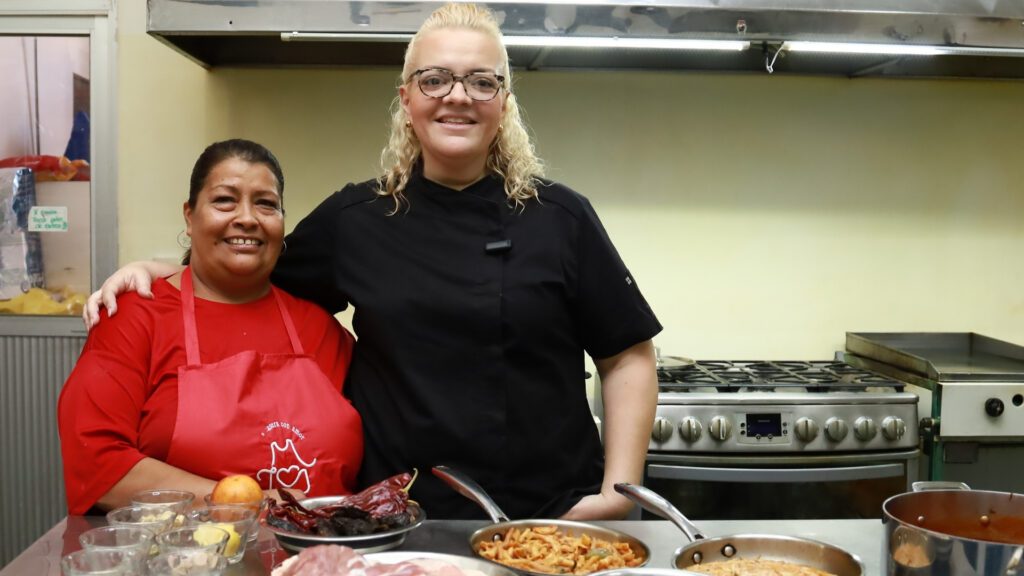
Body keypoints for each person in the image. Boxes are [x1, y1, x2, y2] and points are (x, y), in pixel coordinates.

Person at [85, 3, 660, 520]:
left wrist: (618, 491)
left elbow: (627, 355)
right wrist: (164, 268)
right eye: (435, 79)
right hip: (398, 516)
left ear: (504, 103)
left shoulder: (561, 217)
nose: (457, 96)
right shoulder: (356, 218)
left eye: (481, 82)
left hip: (554, 514)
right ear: (407, 99)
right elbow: (250, 269)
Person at [61, 139, 362, 514]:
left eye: (266, 204)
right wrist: (253, 505)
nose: (247, 218)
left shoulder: (320, 329)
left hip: (322, 548)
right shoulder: (135, 318)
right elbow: (98, 465)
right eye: (224, 200)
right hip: (182, 549)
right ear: (189, 217)